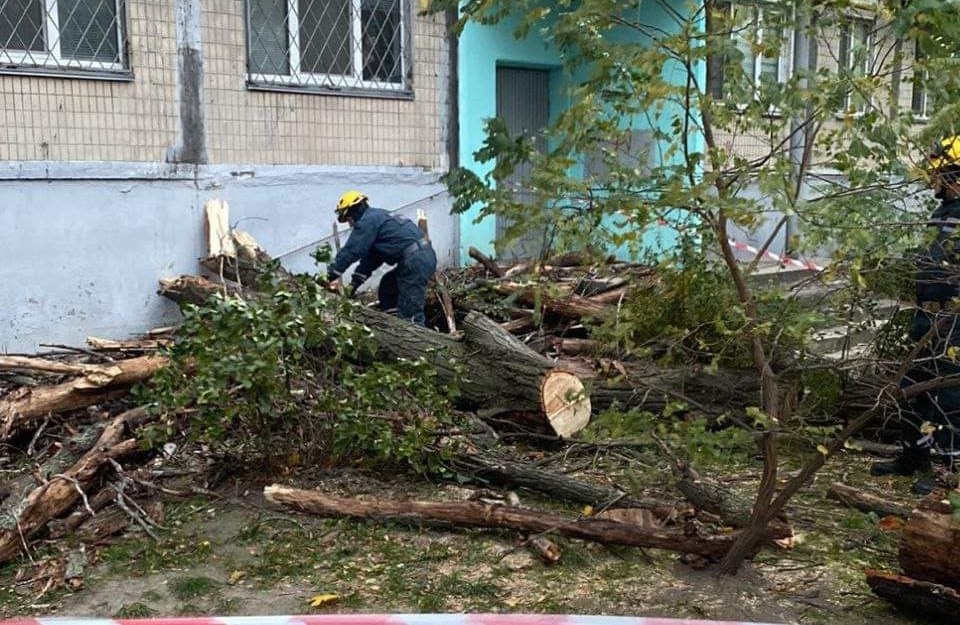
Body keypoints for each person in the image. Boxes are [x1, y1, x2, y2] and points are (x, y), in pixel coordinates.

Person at [871, 136, 960, 491]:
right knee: (913, 387)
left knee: (951, 396)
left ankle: (948, 472)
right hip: (928, 317)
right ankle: (913, 455)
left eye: (938, 173)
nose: (932, 179)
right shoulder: (942, 214)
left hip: (955, 321)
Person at [325, 190, 437, 326]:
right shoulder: (378, 217)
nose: (350, 224)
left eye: (348, 219)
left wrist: (330, 275)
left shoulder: (368, 221)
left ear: (354, 210)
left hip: (415, 261)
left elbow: (351, 250)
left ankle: (416, 336)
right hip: (422, 256)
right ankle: (393, 326)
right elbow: (372, 259)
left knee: (410, 311)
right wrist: (353, 285)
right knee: (388, 286)